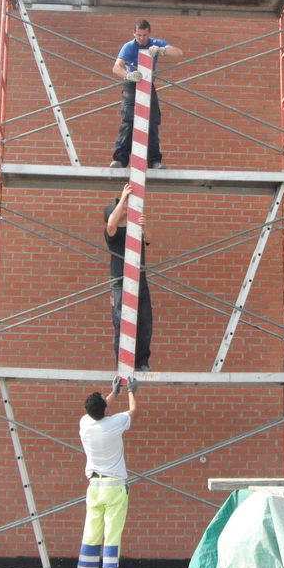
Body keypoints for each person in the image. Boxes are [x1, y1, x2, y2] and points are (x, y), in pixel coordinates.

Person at [75, 376, 140, 568]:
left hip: (94, 487)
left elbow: (99, 409)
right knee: (112, 536)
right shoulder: (114, 424)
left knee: (91, 534)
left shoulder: (85, 424)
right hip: (114, 487)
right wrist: (131, 391)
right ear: (105, 408)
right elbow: (133, 411)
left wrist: (112, 394)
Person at [110, 19, 182, 170]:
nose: (141, 38)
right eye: (138, 35)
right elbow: (116, 67)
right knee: (128, 120)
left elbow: (178, 52)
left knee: (152, 122)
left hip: (148, 84)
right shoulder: (129, 47)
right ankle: (120, 159)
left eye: (144, 35)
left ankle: (154, 161)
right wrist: (128, 75)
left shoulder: (154, 43)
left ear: (149, 33)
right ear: (134, 33)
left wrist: (162, 50)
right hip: (132, 84)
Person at [104, 182, 152, 373]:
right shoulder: (113, 233)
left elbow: (149, 239)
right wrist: (123, 198)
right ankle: (123, 363)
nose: (125, 208)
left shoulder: (134, 230)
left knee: (144, 321)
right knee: (121, 322)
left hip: (139, 280)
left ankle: (142, 362)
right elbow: (111, 224)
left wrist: (143, 227)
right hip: (120, 282)